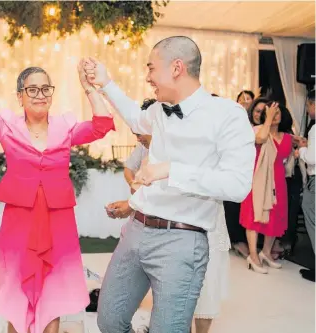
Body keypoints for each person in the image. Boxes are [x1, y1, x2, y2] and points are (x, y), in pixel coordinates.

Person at [83, 36, 255, 333]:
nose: (148, 77)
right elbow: (137, 120)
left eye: (151, 68)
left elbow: (238, 184)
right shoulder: (159, 110)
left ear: (177, 68)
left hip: (182, 240)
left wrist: (171, 171)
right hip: (136, 231)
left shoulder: (228, 115)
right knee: (108, 319)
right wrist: (106, 82)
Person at [0, 30, 115, 333]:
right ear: (20, 96)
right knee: (17, 295)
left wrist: (88, 87)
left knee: (53, 293)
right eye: (33, 89)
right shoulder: (7, 128)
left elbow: (101, 125)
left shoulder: (66, 127)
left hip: (58, 221)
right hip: (20, 222)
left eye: (46, 89)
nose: (40, 95)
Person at [240, 102, 293, 274]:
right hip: (258, 180)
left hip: (278, 181)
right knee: (254, 215)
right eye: (271, 112)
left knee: (275, 216)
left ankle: (266, 252)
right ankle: (253, 255)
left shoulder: (287, 137)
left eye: (278, 112)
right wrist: (268, 120)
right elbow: (261, 139)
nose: (275, 114)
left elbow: (287, 161)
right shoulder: (257, 130)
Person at [298, 89, 315, 282]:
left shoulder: (314, 128)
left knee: (312, 219)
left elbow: (312, 158)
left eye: (309, 106)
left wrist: (301, 150)